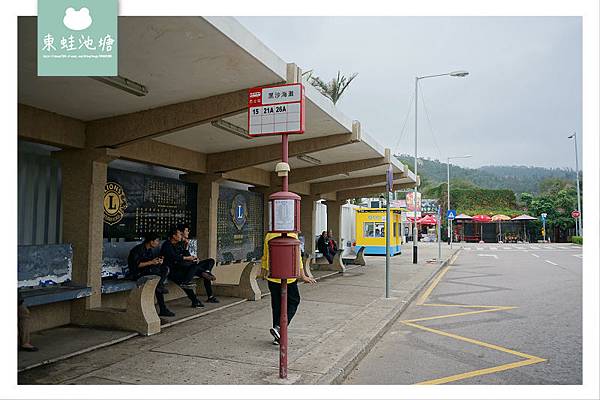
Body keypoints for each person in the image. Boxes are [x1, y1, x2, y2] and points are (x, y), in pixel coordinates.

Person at [260, 232, 316, 345]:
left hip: (273, 277)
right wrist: (303, 275)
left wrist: (264, 272)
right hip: (288, 278)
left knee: (276, 306)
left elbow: (265, 256)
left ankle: (277, 336)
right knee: (294, 301)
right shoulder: (292, 236)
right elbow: (297, 258)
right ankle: (280, 328)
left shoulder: (269, 235)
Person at [161, 226, 216, 309]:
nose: (182, 235)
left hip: (185, 266)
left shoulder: (179, 244)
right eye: (180, 234)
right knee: (191, 271)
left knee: (209, 261)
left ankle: (205, 272)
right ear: (174, 236)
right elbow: (174, 258)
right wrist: (188, 258)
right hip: (174, 270)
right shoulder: (167, 245)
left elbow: (185, 255)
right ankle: (203, 275)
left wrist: (192, 257)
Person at [128, 233, 174, 317]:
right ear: (151, 241)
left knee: (164, 269)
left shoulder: (149, 250)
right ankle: (163, 308)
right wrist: (152, 262)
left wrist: (157, 261)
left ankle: (160, 288)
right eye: (157, 241)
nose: (158, 243)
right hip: (137, 274)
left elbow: (149, 262)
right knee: (157, 280)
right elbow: (136, 265)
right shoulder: (138, 250)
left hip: (147, 271)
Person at [177, 223, 219, 304]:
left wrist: (194, 259)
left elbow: (188, 256)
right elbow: (181, 258)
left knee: (210, 261)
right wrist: (191, 258)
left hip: (193, 265)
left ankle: (207, 272)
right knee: (205, 274)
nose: (188, 232)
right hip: (189, 268)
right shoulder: (178, 243)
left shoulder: (185, 242)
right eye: (186, 231)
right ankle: (210, 296)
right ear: (181, 232)